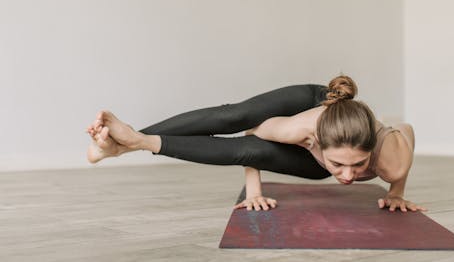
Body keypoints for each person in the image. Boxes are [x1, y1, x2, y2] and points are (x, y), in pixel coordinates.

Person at [86, 75, 427, 213]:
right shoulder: (299, 128)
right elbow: (251, 132)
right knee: (235, 118)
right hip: (303, 107)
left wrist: (395, 193)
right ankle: (131, 141)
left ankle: (121, 143)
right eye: (339, 165)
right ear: (317, 143)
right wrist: (253, 190)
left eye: (358, 164)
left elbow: (407, 129)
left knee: (244, 138)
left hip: (331, 147)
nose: (349, 177)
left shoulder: (393, 158)